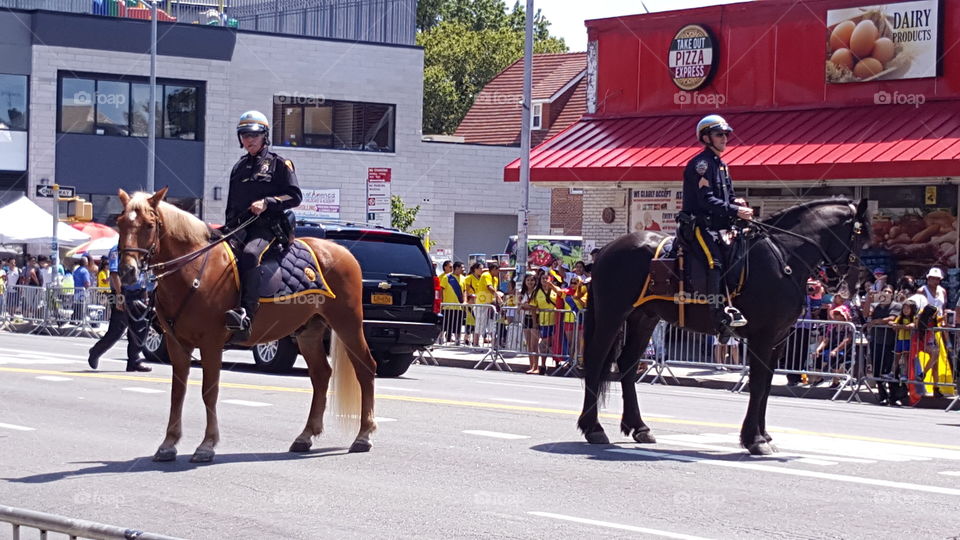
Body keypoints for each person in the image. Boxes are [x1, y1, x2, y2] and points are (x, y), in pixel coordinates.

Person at [223, 110, 303, 341]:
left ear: (264, 135)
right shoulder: (239, 168)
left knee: (249, 255)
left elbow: (295, 197)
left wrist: (268, 203)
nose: (249, 140)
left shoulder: (279, 164)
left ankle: (246, 313)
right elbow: (231, 205)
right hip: (239, 227)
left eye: (254, 135)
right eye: (244, 135)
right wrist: (226, 230)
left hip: (267, 228)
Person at [680, 114, 753, 329]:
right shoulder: (701, 165)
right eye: (718, 134)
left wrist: (738, 204)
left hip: (720, 226)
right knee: (715, 262)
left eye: (726, 135)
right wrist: (735, 210)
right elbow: (706, 200)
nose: (724, 138)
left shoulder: (721, 166)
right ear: (706, 138)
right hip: (700, 225)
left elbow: (727, 196)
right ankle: (716, 313)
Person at [87, 245, 152, 372]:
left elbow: (143, 272)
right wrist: (119, 296)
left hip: (138, 292)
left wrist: (145, 292)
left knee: (140, 328)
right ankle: (95, 352)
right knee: (117, 330)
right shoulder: (116, 250)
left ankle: (134, 361)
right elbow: (114, 273)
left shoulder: (139, 249)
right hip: (122, 293)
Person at [863, 285, 900, 405]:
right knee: (877, 369)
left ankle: (894, 396)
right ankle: (882, 394)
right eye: (885, 291)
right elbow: (866, 313)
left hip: (890, 342)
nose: (887, 293)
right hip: (877, 341)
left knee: (890, 370)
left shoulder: (896, 305)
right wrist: (869, 298)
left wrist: (876, 321)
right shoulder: (876, 305)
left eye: (889, 292)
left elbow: (893, 318)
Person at [518, 272, 540, 374]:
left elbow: (535, 306)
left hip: (535, 318)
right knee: (529, 345)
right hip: (526, 318)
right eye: (528, 280)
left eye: (532, 280)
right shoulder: (523, 293)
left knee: (534, 345)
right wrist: (523, 305)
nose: (530, 282)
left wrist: (525, 306)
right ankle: (531, 366)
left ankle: (537, 367)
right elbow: (519, 305)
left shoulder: (537, 292)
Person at [439, 260, 465, 344]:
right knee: (445, 324)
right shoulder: (447, 277)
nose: (463, 269)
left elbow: (464, 291)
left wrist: (464, 301)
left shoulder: (463, 278)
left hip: (458, 306)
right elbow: (441, 290)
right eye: (462, 268)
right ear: (456, 268)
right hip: (447, 306)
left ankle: (457, 340)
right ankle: (441, 338)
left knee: (457, 324)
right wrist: (441, 302)